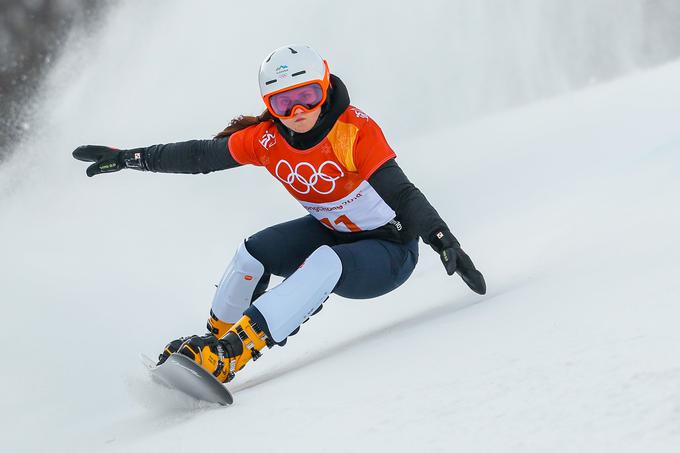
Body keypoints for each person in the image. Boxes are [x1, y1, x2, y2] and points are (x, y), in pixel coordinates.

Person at [73, 44, 486, 383]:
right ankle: (212, 344)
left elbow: (402, 192)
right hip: (335, 233)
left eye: (307, 96)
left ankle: (231, 354)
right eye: (284, 102)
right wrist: (129, 158)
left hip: (388, 251)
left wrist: (442, 240)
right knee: (253, 252)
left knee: (326, 260)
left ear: (325, 88)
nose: (298, 111)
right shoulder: (267, 139)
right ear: (269, 105)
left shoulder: (353, 132)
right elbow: (200, 155)